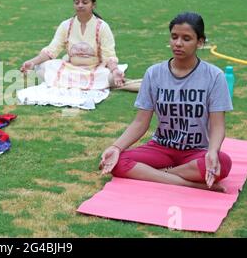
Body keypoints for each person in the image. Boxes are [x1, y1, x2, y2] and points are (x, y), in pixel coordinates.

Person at [99, 12, 233, 192]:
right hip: (161, 148)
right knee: (116, 161)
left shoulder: (214, 76)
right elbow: (140, 122)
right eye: (174, 37)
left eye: (186, 39)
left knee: (223, 163)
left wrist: (213, 151)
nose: (178, 43)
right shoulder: (154, 73)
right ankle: (189, 184)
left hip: (196, 152)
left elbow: (217, 126)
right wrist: (116, 147)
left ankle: (158, 174)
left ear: (200, 42)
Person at [20, 0, 138, 91]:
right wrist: (32, 62)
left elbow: (109, 55)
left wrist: (115, 70)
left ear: (93, 5)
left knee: (111, 77)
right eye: (77, 2)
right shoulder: (66, 25)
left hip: (95, 69)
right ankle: (91, 84)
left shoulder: (102, 27)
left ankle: (113, 79)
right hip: (70, 68)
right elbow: (52, 50)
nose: (80, 5)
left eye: (84, 2)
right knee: (41, 67)